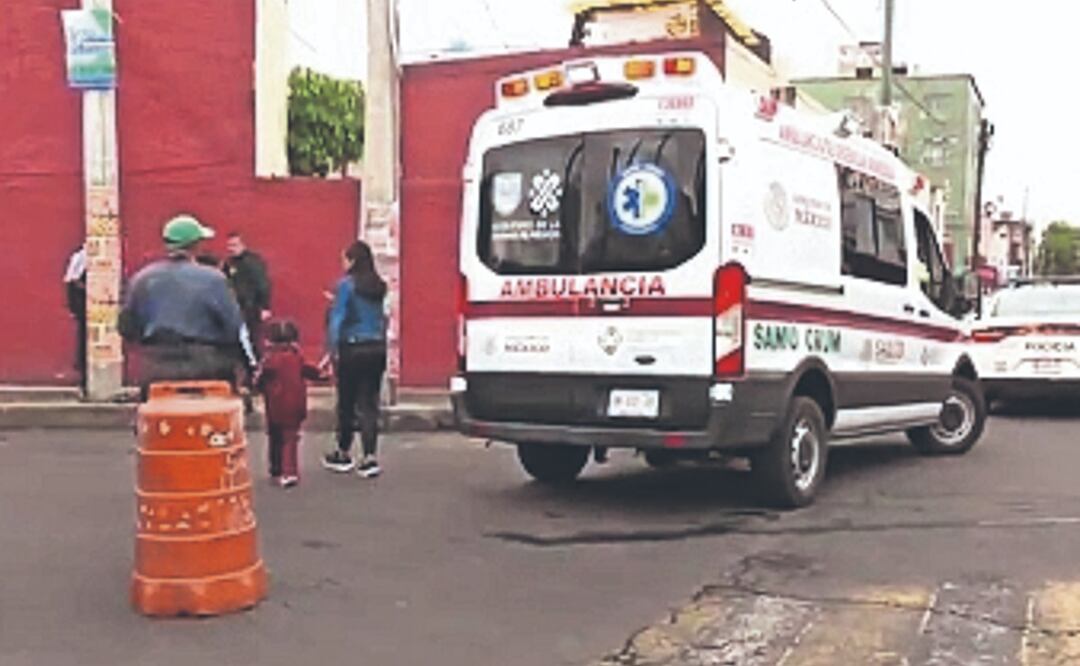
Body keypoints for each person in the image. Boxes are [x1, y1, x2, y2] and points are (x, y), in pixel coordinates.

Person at [118, 215, 256, 399]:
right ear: (197, 246)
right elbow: (235, 327)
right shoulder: (214, 279)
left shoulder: (142, 279)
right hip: (208, 364)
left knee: (155, 421)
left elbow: (126, 326)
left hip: (157, 364)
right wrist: (249, 367)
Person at [322, 240, 388, 479]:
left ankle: (343, 451)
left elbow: (337, 320)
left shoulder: (346, 286)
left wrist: (330, 351)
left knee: (347, 402)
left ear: (352, 261)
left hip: (352, 347)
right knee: (369, 403)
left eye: (345, 259)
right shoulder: (378, 286)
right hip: (376, 347)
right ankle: (370, 457)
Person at [257, 319, 323, 488]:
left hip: (274, 405)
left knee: (275, 437)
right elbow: (312, 371)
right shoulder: (297, 358)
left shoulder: (269, 360)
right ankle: (290, 471)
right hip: (296, 405)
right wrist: (323, 375)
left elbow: (260, 380)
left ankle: (276, 468)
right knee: (290, 439)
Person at [223, 232, 272, 357]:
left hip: (251, 307)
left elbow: (263, 283)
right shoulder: (229, 263)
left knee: (253, 338)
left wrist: (265, 307)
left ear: (243, 245)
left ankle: (256, 364)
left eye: (234, 245)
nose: (231, 248)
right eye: (229, 245)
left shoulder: (253, 262)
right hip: (235, 306)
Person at [63, 244, 87, 394]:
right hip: (85, 307)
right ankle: (84, 380)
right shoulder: (81, 257)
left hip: (89, 307)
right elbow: (72, 281)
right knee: (84, 343)